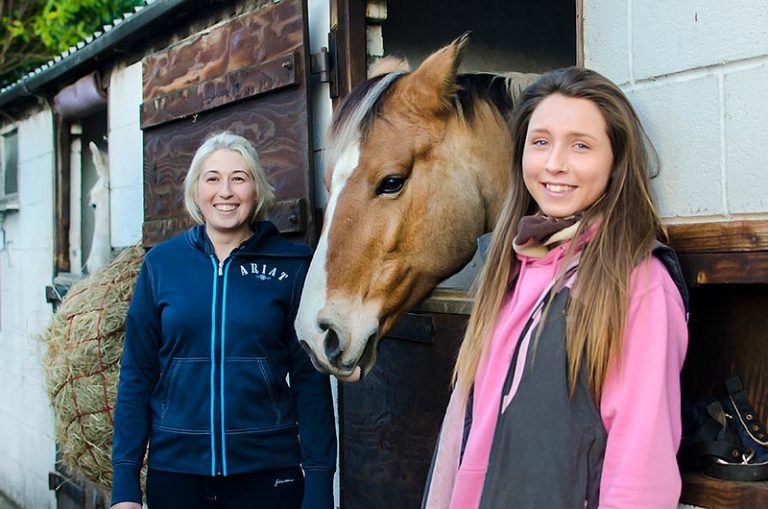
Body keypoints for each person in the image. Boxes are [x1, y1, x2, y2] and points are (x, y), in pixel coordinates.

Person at [422, 67, 689, 508]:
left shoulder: (638, 283)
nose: (554, 164)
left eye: (581, 145)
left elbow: (640, 470)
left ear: (616, 161)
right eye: (540, 142)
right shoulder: (510, 266)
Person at [111, 132, 336, 509]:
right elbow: (136, 376)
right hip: (176, 475)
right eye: (212, 178)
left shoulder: (293, 266)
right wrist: (125, 487)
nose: (225, 191)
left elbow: (310, 382)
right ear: (196, 190)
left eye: (239, 178)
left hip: (268, 474)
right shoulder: (161, 265)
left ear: (256, 188)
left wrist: (318, 487)